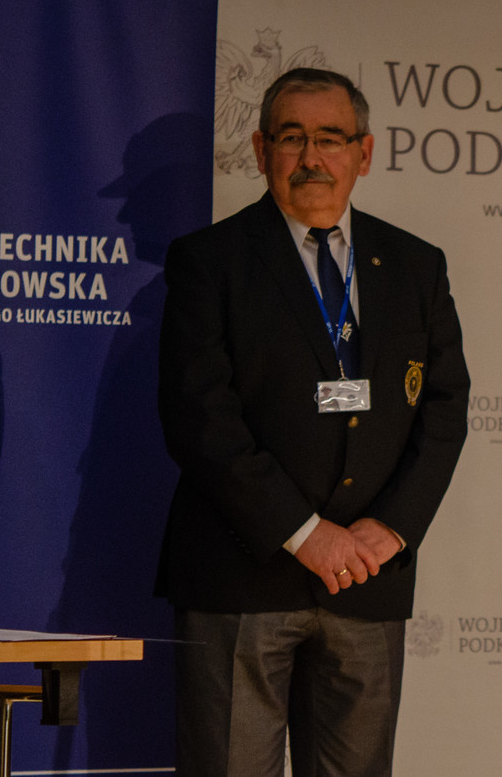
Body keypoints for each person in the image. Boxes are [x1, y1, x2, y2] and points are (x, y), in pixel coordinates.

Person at [156, 67, 469, 777]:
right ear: (261, 150)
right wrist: (305, 533)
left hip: (368, 579)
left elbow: (445, 409)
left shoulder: (416, 265)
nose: (311, 157)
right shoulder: (209, 262)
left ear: (365, 152)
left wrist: (390, 530)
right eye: (292, 137)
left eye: (331, 138)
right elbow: (200, 419)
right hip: (243, 577)